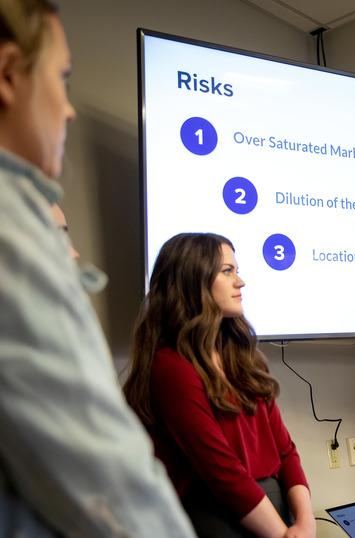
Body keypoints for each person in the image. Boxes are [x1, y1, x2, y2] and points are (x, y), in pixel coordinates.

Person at [0, 1, 196, 536]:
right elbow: (104, 478)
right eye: (61, 80)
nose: (70, 109)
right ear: (10, 74)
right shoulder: (12, 230)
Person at [123, 232, 316, 538]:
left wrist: (305, 522)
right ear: (192, 280)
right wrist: (283, 535)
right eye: (227, 271)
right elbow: (223, 475)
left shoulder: (243, 359)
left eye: (236, 271)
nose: (240, 282)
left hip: (272, 510)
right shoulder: (171, 368)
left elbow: (286, 452)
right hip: (218, 517)